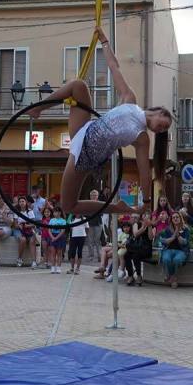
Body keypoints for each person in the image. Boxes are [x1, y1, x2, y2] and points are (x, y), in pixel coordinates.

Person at [27, 26, 173, 215]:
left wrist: (145, 201)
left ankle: (117, 208)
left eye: (163, 130)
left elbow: (144, 171)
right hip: (85, 129)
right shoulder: (130, 99)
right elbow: (114, 67)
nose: (162, 129)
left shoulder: (142, 138)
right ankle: (38, 108)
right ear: (159, 111)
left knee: (68, 206)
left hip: (88, 155)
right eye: (165, 123)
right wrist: (104, 41)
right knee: (78, 85)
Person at [158, 212, 190, 289]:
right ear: (171, 220)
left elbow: (184, 242)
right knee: (166, 259)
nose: (175, 219)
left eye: (177, 217)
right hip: (168, 249)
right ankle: (173, 277)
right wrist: (173, 236)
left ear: (180, 218)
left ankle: (172, 276)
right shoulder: (168, 229)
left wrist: (178, 234)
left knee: (177, 260)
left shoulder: (185, 229)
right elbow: (164, 241)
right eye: (173, 217)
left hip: (181, 251)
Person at [125, 212, 153, 286]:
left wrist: (149, 227)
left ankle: (139, 275)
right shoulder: (136, 224)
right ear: (142, 217)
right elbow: (135, 234)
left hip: (146, 248)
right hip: (136, 246)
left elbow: (150, 238)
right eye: (145, 216)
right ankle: (130, 275)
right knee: (126, 255)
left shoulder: (151, 225)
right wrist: (143, 227)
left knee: (135, 256)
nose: (146, 218)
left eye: (148, 217)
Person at [15, 196, 38, 268]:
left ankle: (34, 261)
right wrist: (19, 226)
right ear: (18, 203)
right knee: (23, 239)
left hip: (28, 229)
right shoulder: (16, 211)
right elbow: (15, 224)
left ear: (26, 202)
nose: (21, 203)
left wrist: (27, 226)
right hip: (18, 229)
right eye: (20, 202)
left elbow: (34, 224)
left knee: (32, 241)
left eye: (23, 201)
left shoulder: (30, 211)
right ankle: (19, 258)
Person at [85, 190, 104, 261]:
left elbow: (102, 213)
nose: (94, 197)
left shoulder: (100, 203)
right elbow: (85, 213)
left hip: (98, 223)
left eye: (95, 195)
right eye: (92, 195)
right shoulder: (87, 204)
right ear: (90, 196)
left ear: (97, 196)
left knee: (97, 240)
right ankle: (91, 256)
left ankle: (100, 256)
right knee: (90, 241)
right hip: (89, 224)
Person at [49, 207, 68, 274]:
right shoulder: (51, 220)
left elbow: (63, 231)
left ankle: (59, 267)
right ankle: (53, 267)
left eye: (57, 212)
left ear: (60, 212)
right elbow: (49, 230)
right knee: (53, 253)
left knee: (59, 253)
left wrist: (56, 237)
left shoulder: (63, 221)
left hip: (60, 237)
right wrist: (52, 237)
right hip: (52, 237)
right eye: (54, 212)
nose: (55, 213)